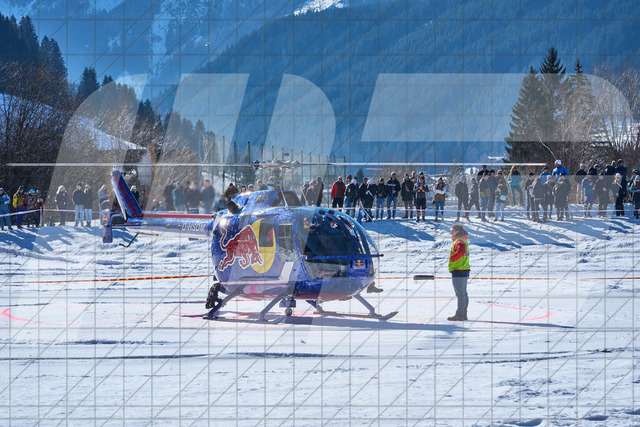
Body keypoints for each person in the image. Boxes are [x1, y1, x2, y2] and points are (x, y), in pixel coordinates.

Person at [447, 224, 470, 322]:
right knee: (463, 293)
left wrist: (452, 258)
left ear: (457, 231)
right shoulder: (462, 240)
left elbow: (461, 252)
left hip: (459, 270)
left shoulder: (459, 241)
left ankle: (460, 314)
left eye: (452, 231)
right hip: (463, 269)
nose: (451, 233)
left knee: (460, 294)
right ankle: (463, 314)